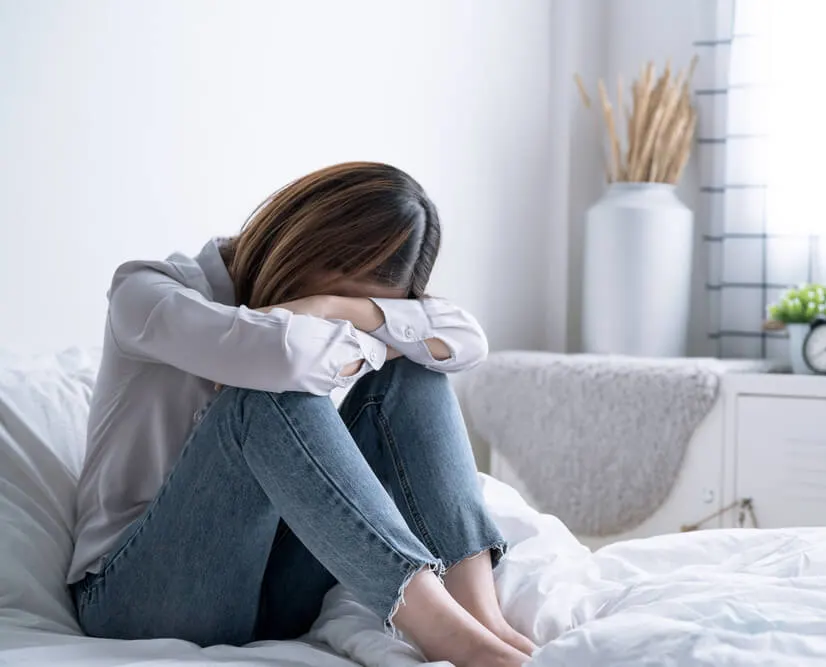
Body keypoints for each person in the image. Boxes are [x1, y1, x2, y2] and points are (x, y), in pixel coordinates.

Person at [68, 162, 535, 667]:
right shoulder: (147, 292)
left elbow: (467, 340)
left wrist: (333, 306)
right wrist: (375, 334)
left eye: (362, 306)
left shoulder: (327, 306)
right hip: (137, 594)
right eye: (342, 296)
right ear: (308, 246)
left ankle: (482, 620)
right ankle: (447, 635)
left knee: (414, 374)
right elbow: (280, 356)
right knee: (264, 396)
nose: (341, 315)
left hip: (274, 586)